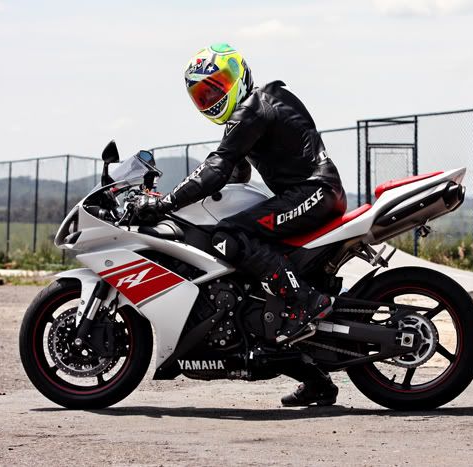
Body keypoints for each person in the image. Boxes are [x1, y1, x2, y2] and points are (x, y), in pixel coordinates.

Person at [135, 43, 345, 406]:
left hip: (313, 192)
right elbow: (233, 169)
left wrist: (165, 203)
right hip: (310, 192)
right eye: (203, 93)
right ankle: (317, 381)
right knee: (255, 292)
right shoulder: (257, 110)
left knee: (229, 235)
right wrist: (185, 193)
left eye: (218, 85)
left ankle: (303, 301)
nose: (213, 96)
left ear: (240, 75)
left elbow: (218, 167)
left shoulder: (254, 107)